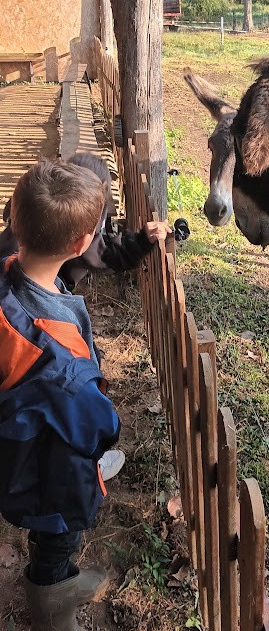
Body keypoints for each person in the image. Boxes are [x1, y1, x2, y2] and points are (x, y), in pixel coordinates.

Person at [0, 151, 172, 483]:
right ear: (81, 243)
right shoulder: (64, 346)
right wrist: (109, 428)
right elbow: (95, 420)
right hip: (43, 474)